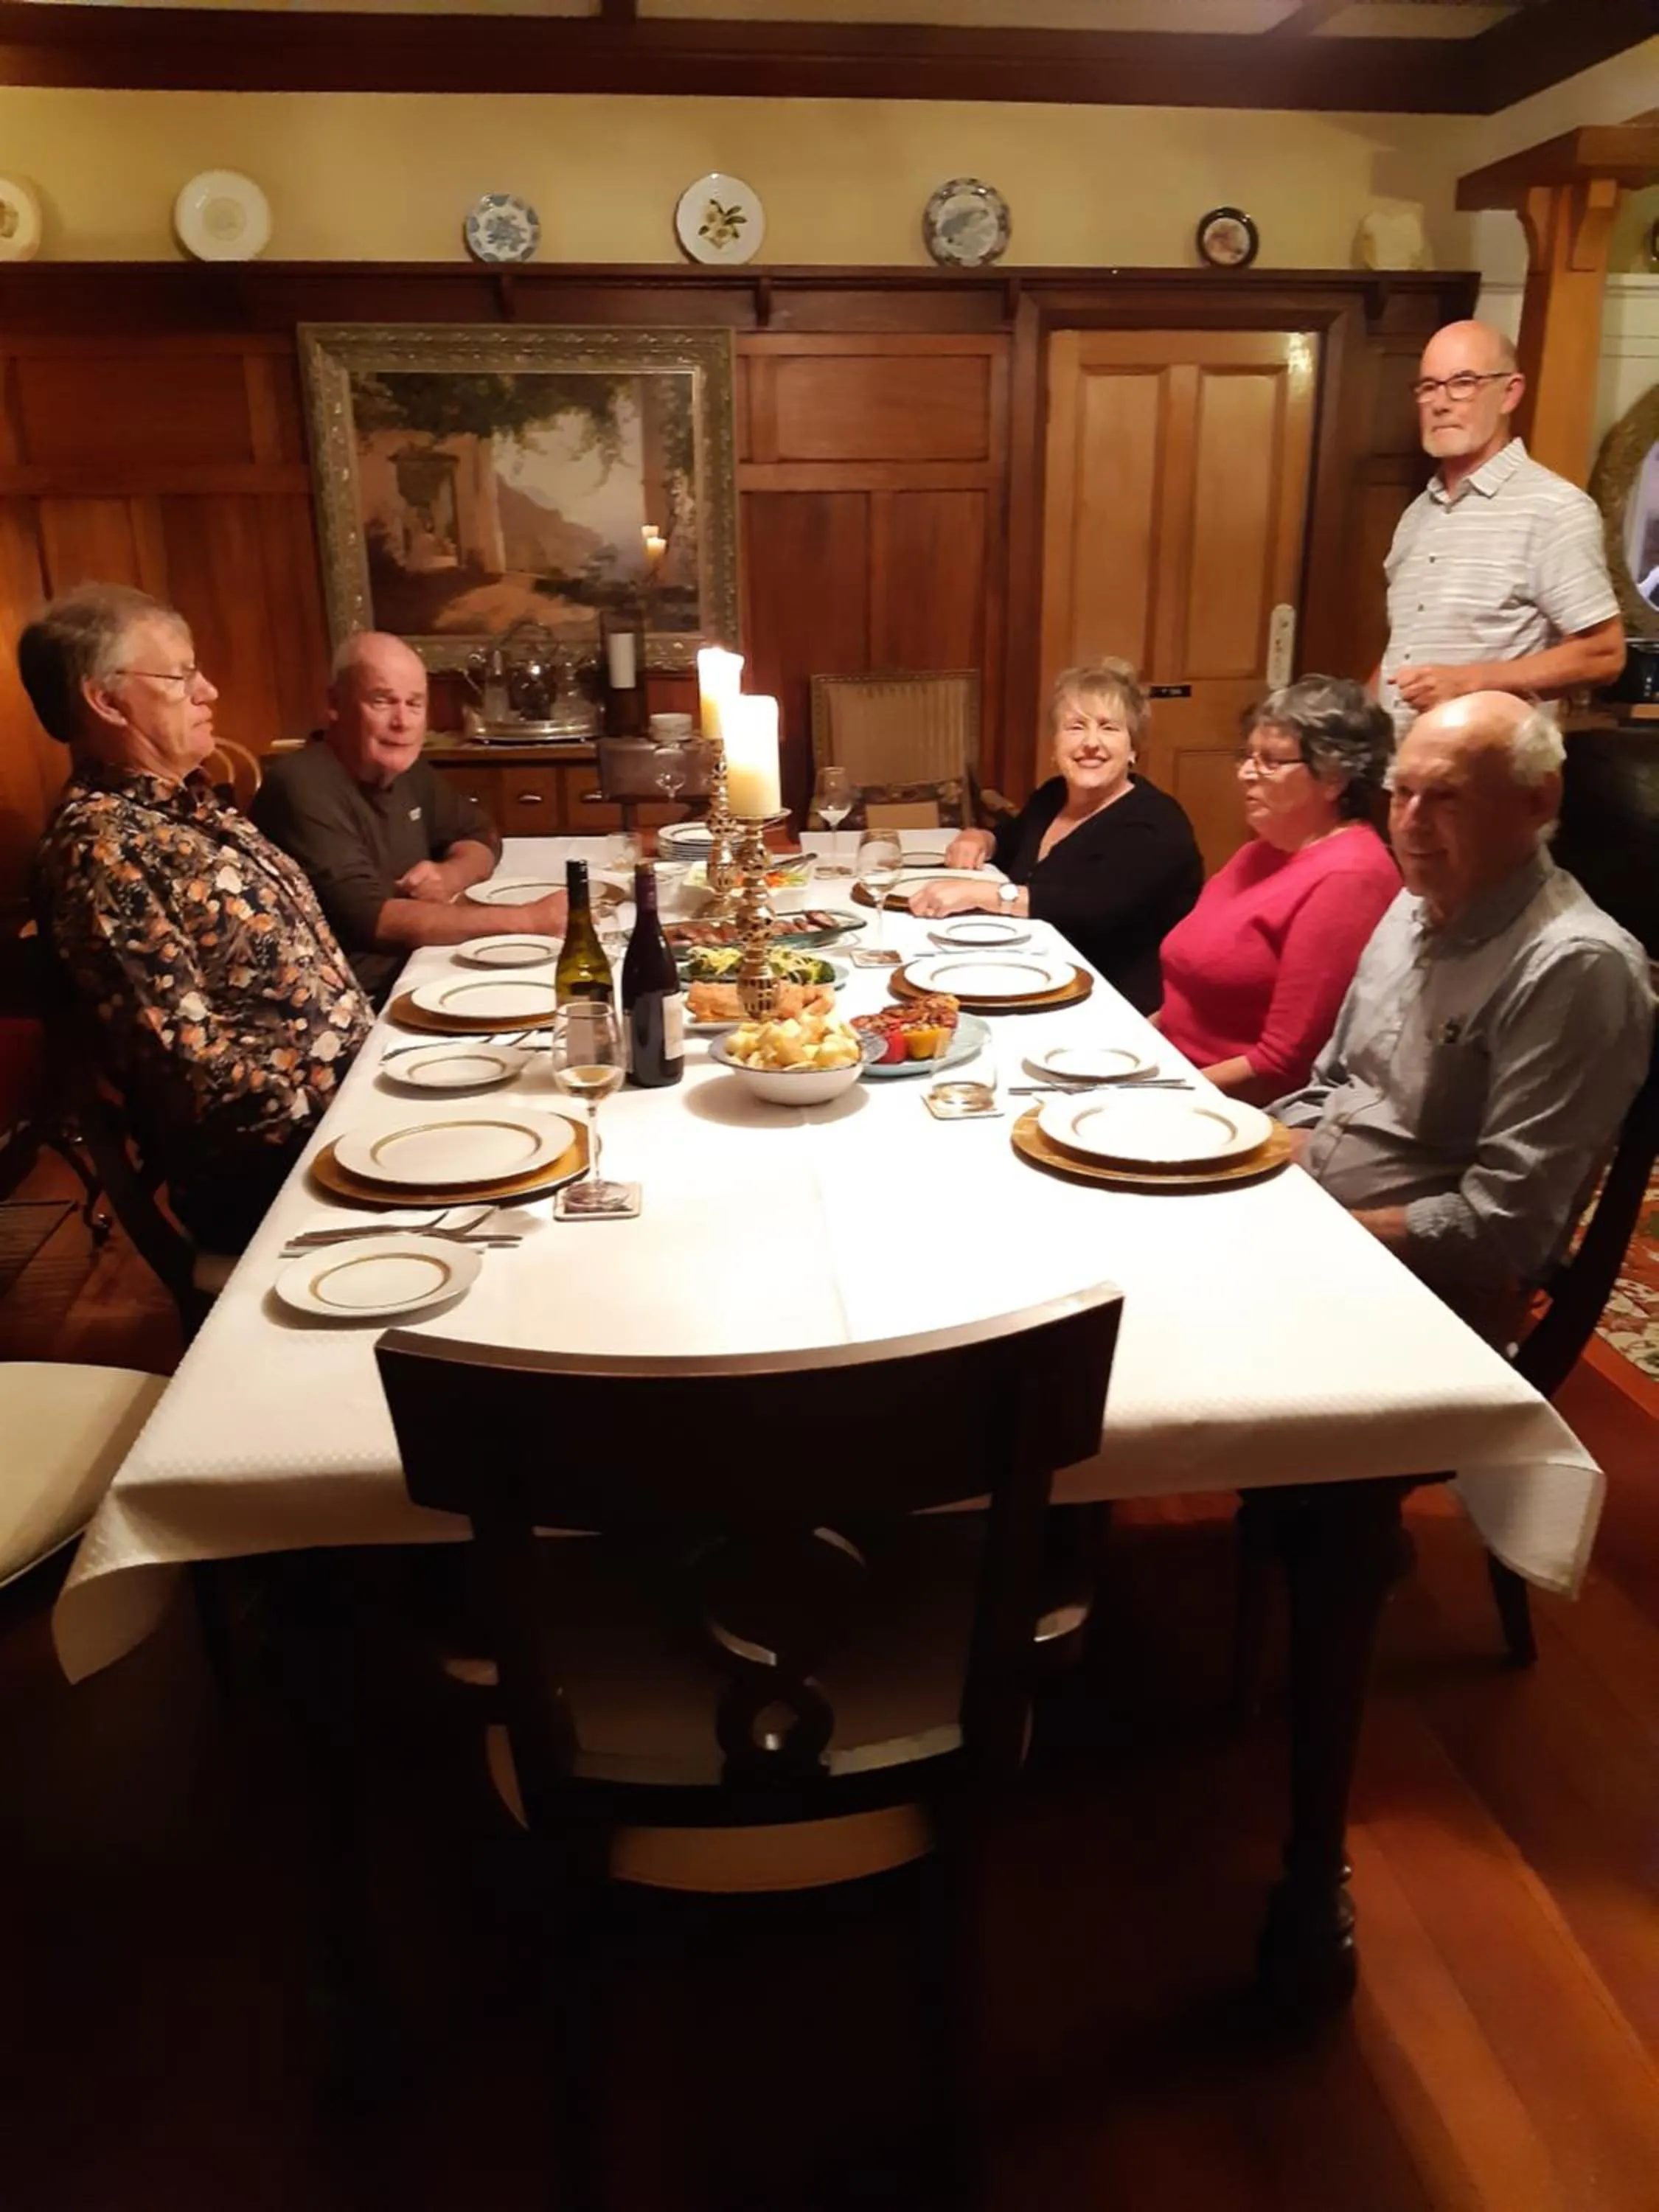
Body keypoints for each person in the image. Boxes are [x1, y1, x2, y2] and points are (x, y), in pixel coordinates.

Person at [1273, 692, 1653, 1343]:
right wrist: (1243, 1162)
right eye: (1402, 793)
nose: (1410, 823)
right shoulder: (1414, 903)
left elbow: (1504, 1232)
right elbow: (1331, 1084)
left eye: (1446, 797)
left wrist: (1313, 1234)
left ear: (1538, 800)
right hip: (1311, 1227)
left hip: (1408, 1301)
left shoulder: (1576, 967)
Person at [24, 584, 373, 1251]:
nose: (208, 691)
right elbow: (190, 1072)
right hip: (290, 1170)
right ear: (106, 701)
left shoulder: (186, 809)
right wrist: (346, 1119)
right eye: (181, 676)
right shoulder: (103, 848)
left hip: (347, 1119)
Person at [252, 631, 568, 1003]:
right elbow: (376, 921)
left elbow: (482, 834)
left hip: (422, 967)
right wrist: (527, 922)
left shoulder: (406, 770)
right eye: (382, 701)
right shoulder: (301, 785)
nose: (402, 721)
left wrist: (450, 875)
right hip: (358, 1001)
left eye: (414, 704)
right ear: (335, 704)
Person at [1153, 678, 1399, 1102]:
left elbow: (1281, 1067)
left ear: (1333, 777)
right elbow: (1185, 1005)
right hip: (1171, 1072)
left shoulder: (1349, 879)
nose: (1246, 773)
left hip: (1228, 1107)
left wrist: (1147, 1096)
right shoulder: (1260, 852)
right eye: (1248, 756)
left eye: (1269, 761)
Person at [908, 660, 1202, 1013]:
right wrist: (981, 838)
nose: (1091, 743)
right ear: (1055, 744)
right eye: (1076, 727)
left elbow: (1092, 907)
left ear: (1133, 748)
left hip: (1112, 1006)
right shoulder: (1053, 797)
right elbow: (1013, 840)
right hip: (1033, 978)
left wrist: (987, 894)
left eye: (1109, 728)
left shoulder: (1157, 823)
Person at [1378, 319, 1624, 737]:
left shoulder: (1554, 510)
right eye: (1429, 387)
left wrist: (1469, 682)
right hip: (1400, 766)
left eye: (1463, 383)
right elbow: (1402, 651)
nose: (1441, 403)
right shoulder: (1417, 515)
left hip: (1488, 771)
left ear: (1510, 393)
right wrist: (1348, 730)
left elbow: (1603, 654)